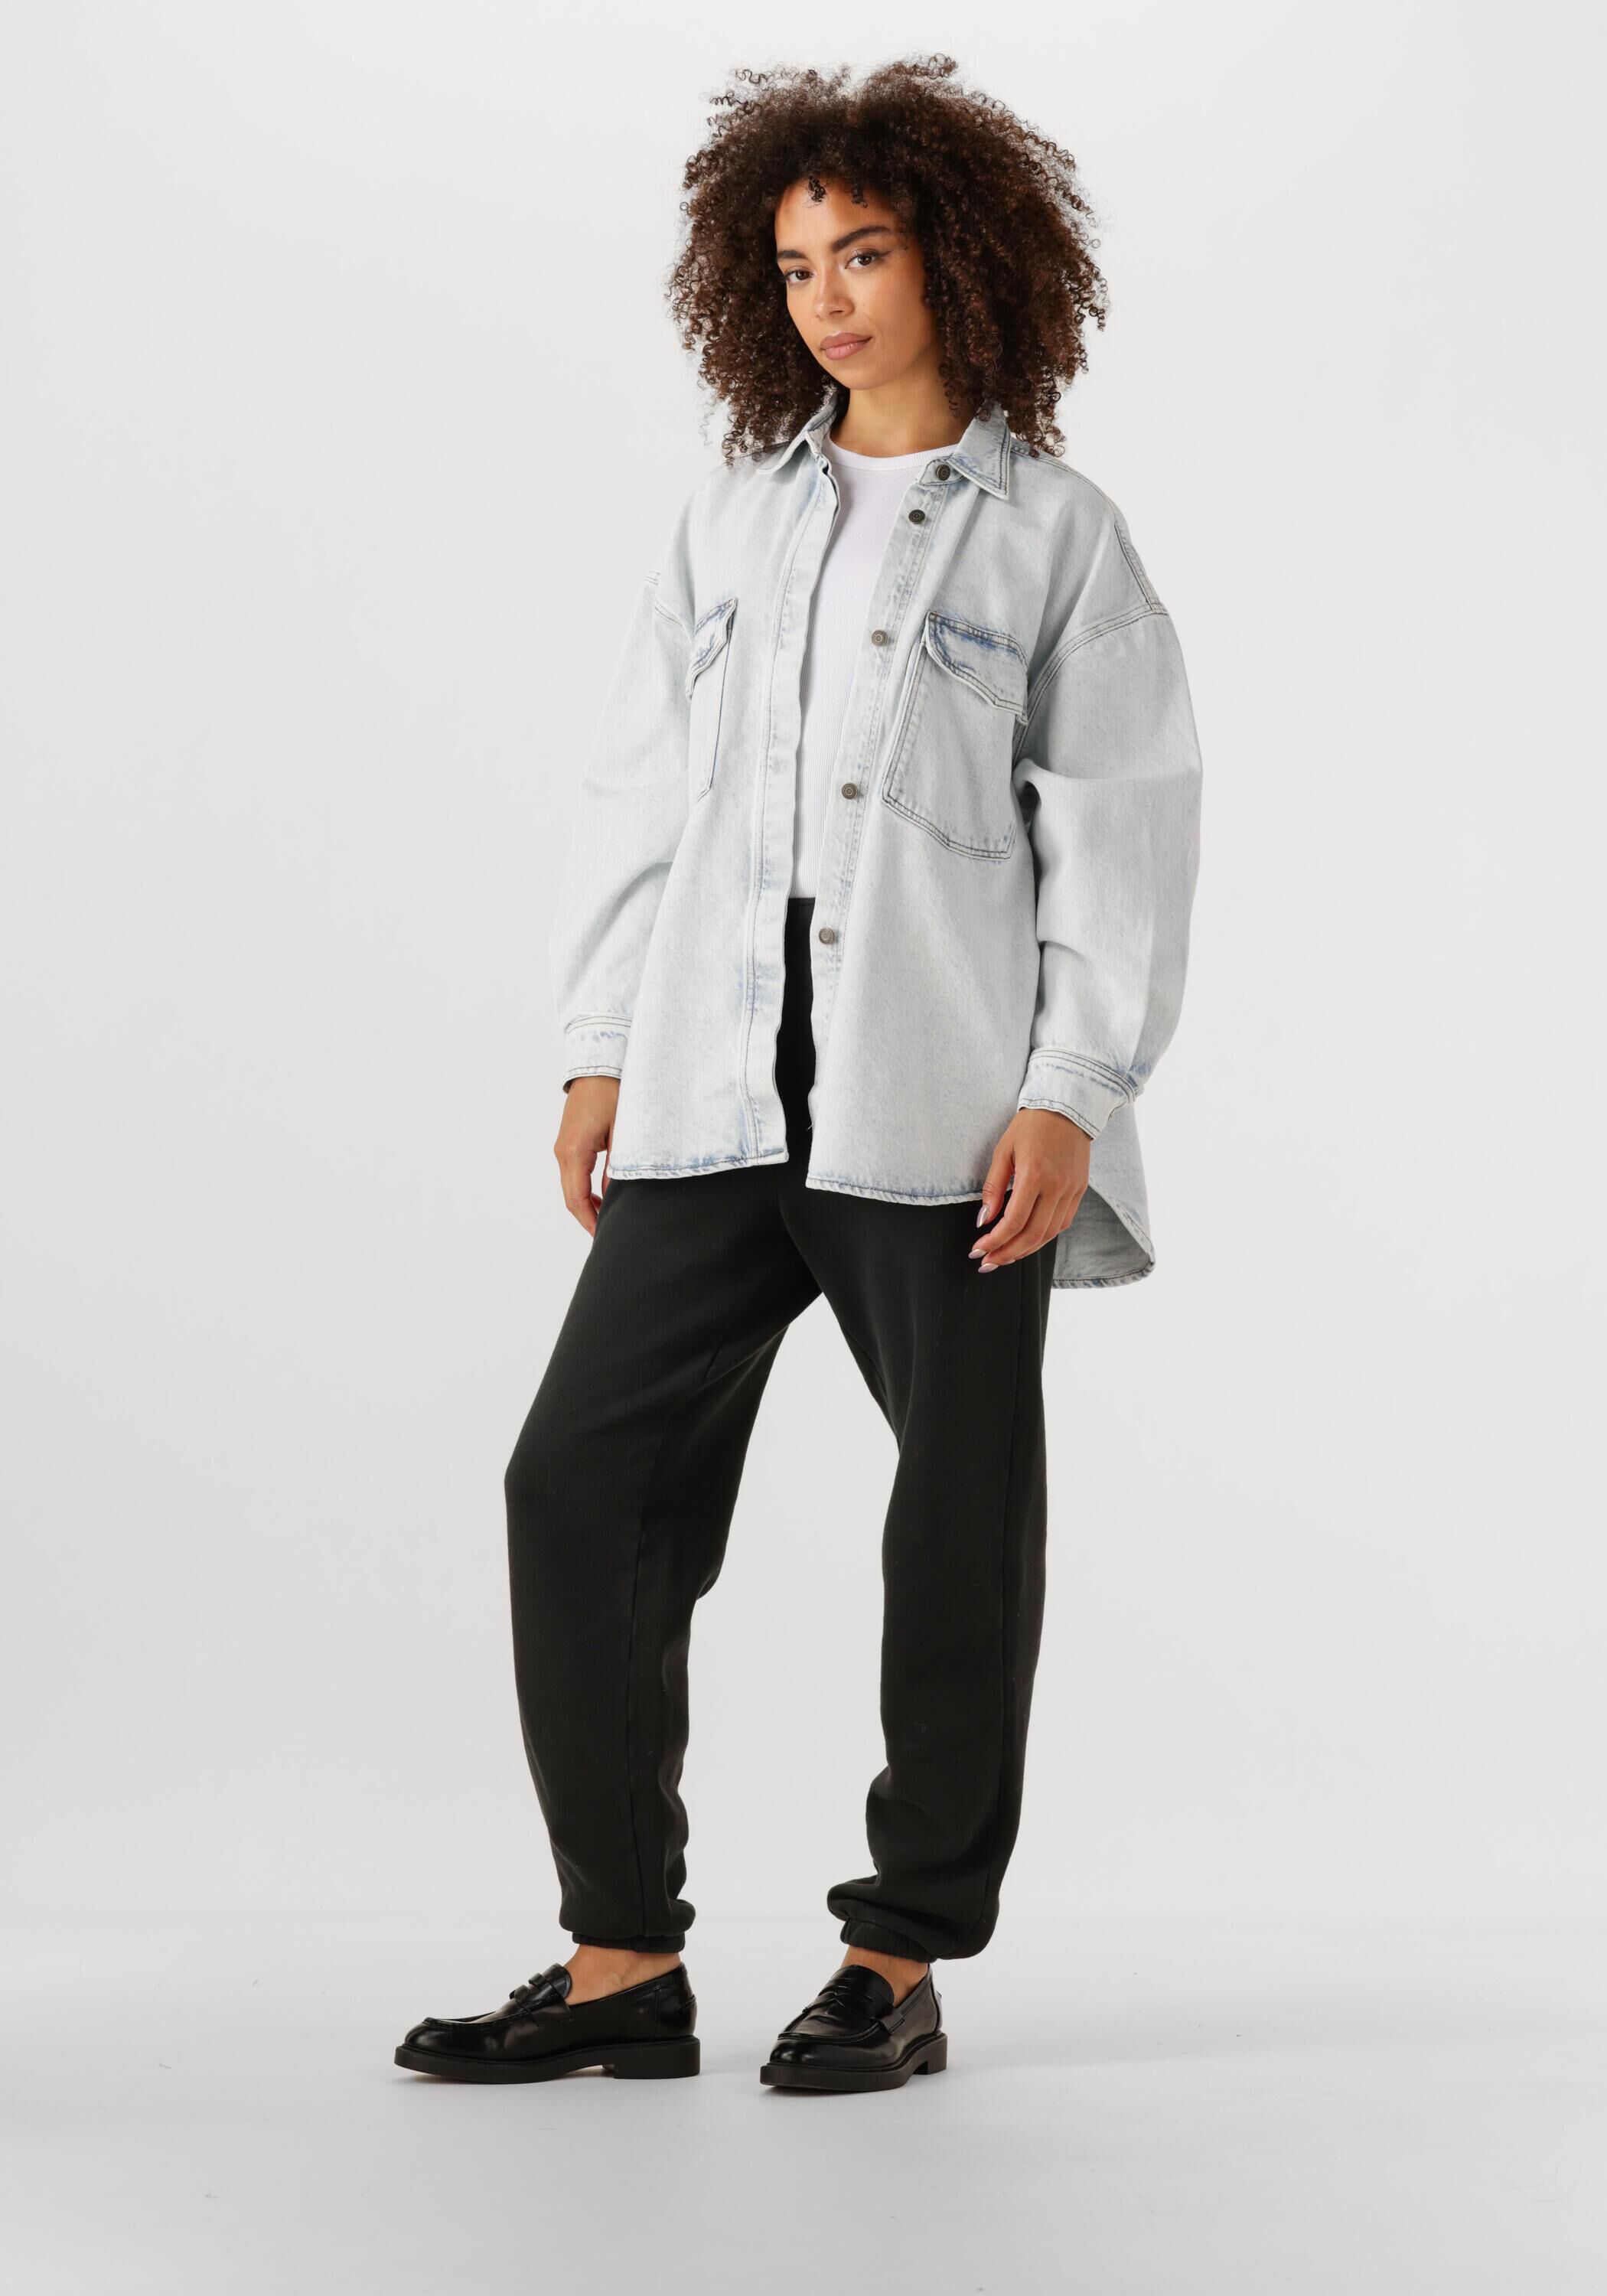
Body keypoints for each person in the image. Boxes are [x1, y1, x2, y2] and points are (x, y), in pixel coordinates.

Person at [395, 54, 1202, 2095]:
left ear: (961, 257)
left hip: (940, 1105)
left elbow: (1123, 824)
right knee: (578, 1483)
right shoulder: (731, 518)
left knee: (955, 1520)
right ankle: (618, 1960)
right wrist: (598, 1044)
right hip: (709, 1085)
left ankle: (896, 1958)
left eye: (865, 252)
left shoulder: (1056, 538)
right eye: (792, 265)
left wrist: (1071, 1085)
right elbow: (637, 789)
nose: (827, 298)